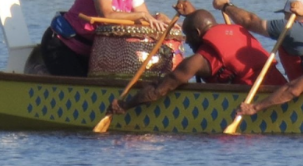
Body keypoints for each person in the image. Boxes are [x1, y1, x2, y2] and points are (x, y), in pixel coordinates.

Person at [106, 7, 270, 115]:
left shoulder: (197, 61)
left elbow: (158, 91)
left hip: (253, 100)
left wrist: (124, 105)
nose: (187, 42)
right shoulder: (234, 31)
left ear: (197, 33)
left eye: (187, 36)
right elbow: (200, 20)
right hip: (274, 87)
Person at [207, 0, 303, 83]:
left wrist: (225, 6)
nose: (284, 18)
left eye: (285, 14)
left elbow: (249, 21)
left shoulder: (288, 28)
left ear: (292, 13)